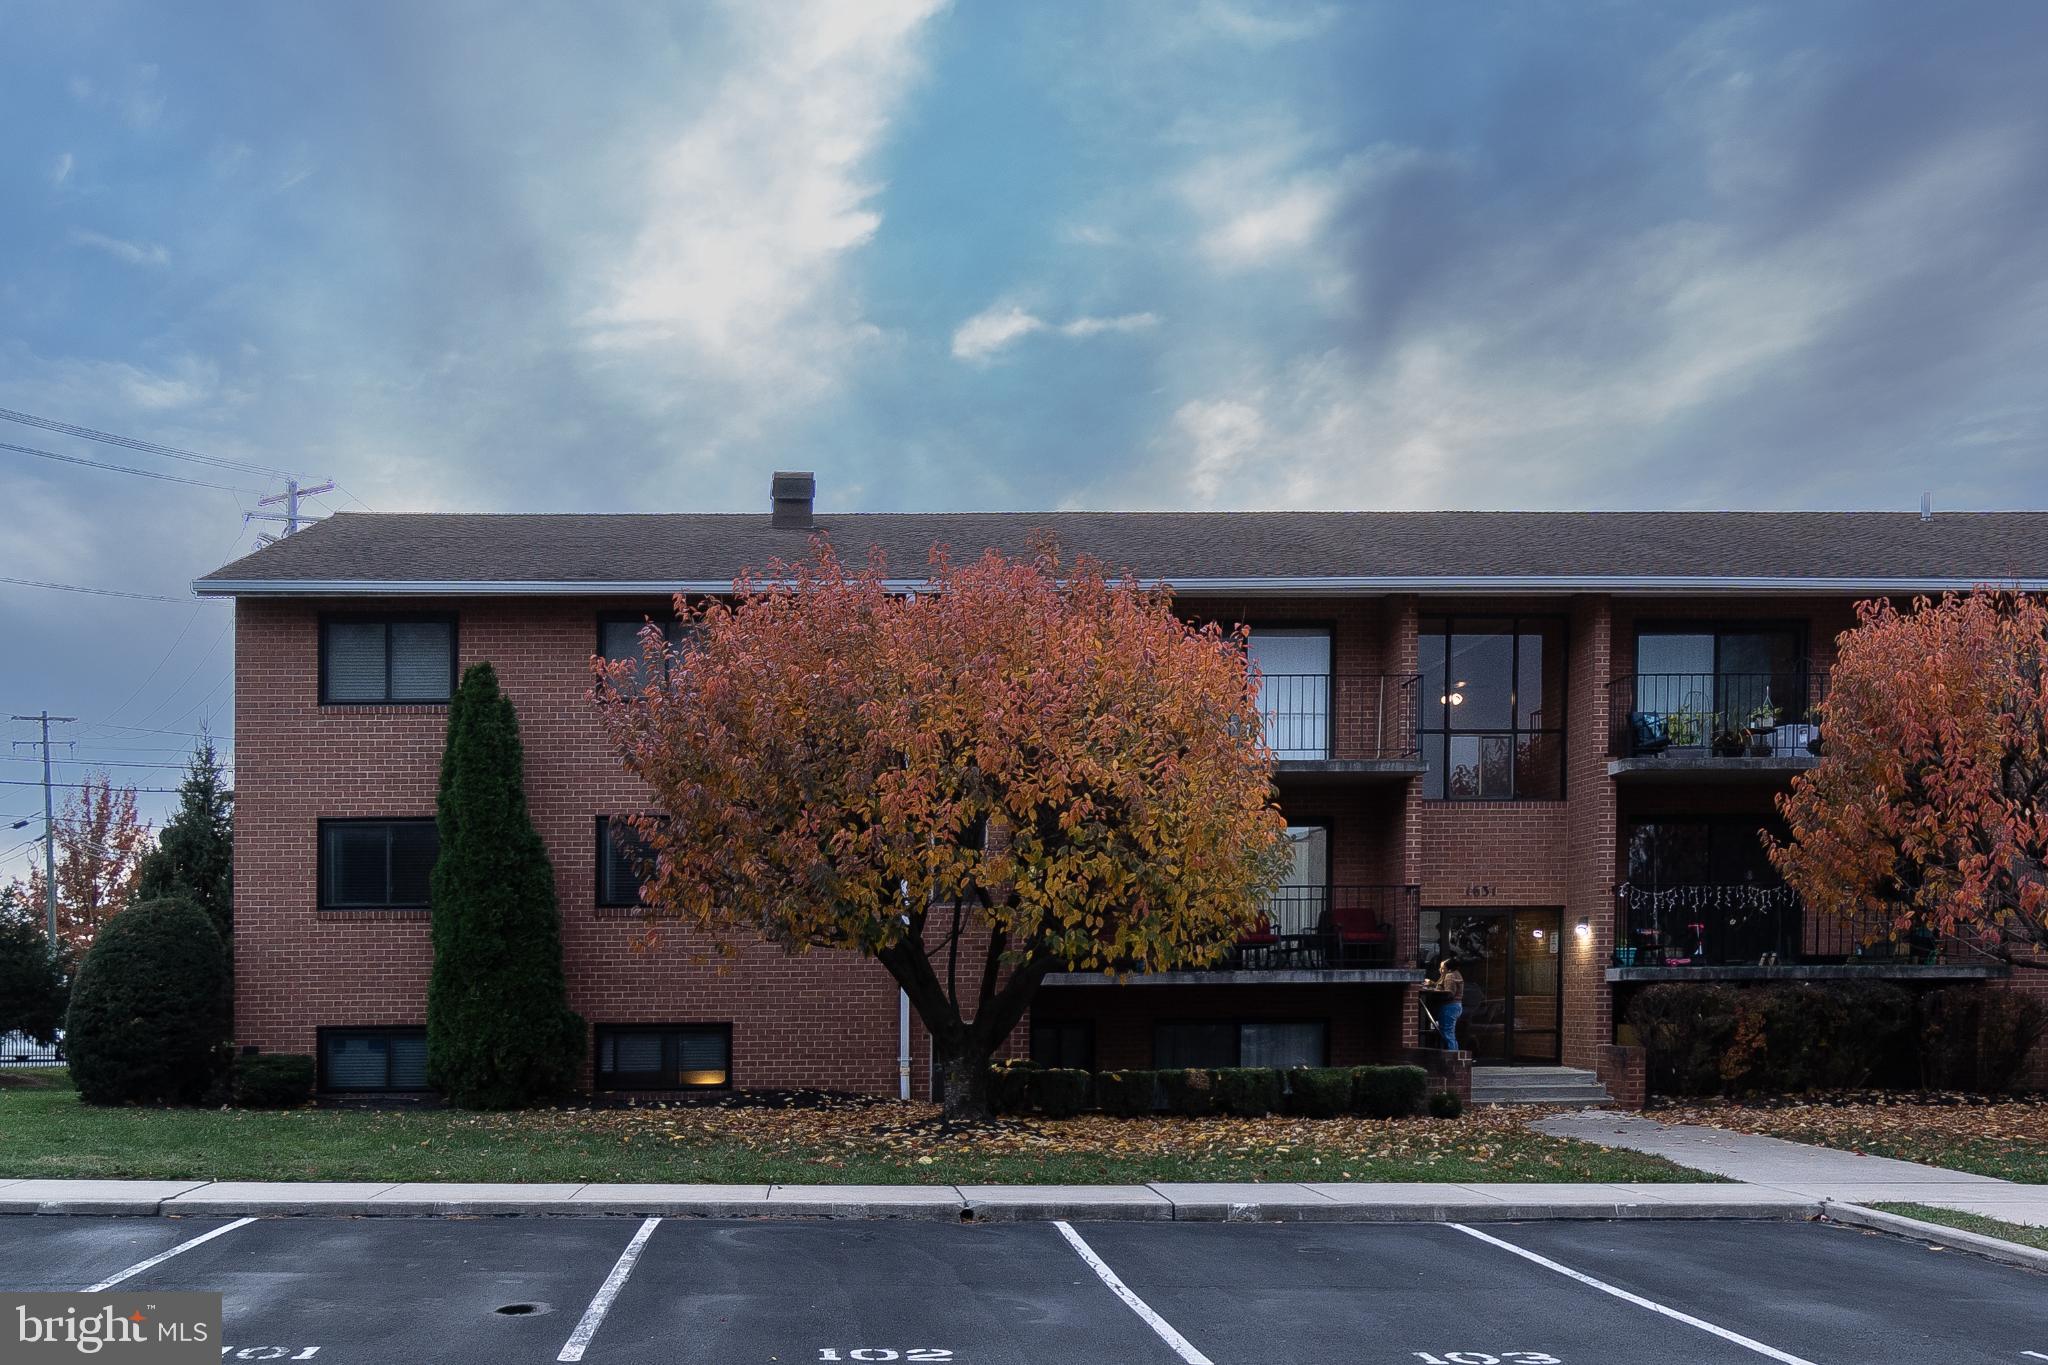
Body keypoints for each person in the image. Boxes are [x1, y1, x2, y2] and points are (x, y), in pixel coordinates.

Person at [1426, 956, 1465, 1052]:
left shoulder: (1450, 976)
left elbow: (1450, 993)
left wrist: (1434, 992)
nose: (1440, 969)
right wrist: (1432, 984)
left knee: (1448, 1033)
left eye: (1442, 967)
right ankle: (1455, 1057)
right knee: (1448, 1032)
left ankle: (1453, 1058)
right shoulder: (1455, 974)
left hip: (1450, 1006)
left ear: (1448, 968)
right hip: (1455, 1006)